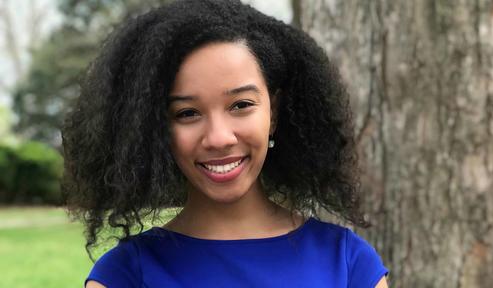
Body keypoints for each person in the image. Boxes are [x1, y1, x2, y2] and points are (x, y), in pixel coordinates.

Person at [62, 0, 389, 287]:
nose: (219, 138)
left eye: (241, 105)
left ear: (273, 113)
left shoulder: (348, 264)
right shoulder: (125, 276)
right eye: (187, 113)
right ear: (155, 130)